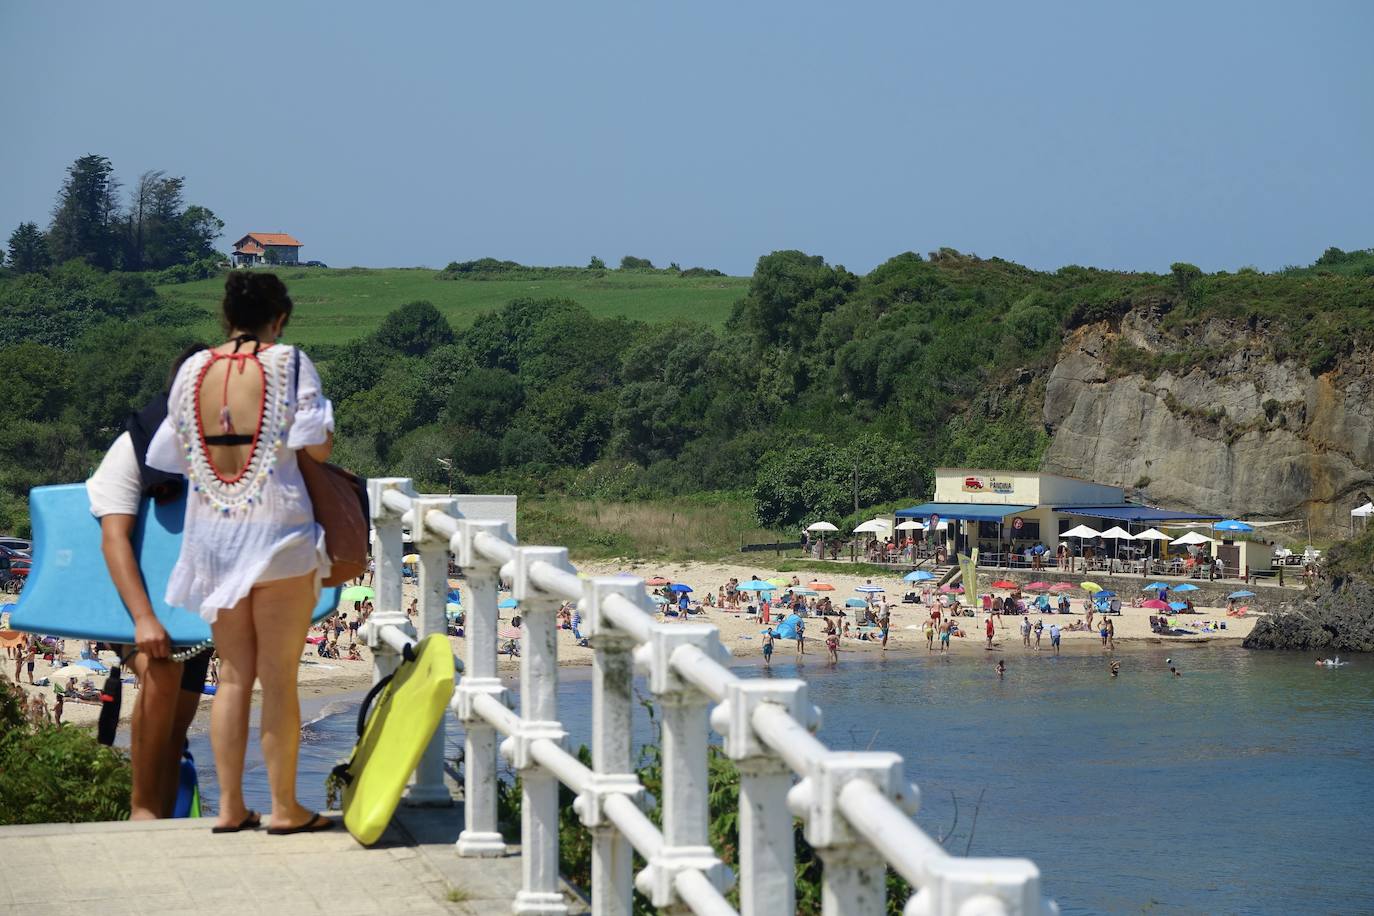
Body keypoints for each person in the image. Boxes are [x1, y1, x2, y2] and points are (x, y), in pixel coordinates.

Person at [146, 272, 335, 835]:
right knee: (279, 679)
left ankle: (230, 806)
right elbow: (317, 445)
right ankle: (284, 808)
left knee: (232, 677)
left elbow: (169, 453)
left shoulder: (191, 371)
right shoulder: (289, 362)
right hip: (279, 533)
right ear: (279, 318)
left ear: (226, 316)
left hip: (214, 538)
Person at [87, 343, 215, 819]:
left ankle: (160, 818)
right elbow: (113, 539)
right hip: (128, 604)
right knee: (161, 671)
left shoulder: (228, 451)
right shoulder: (135, 446)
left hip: (191, 611)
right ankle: (143, 814)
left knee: (177, 726)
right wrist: (144, 619)